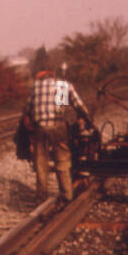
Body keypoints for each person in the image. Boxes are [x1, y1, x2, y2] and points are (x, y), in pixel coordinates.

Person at [23, 68, 93, 202]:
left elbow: (27, 109)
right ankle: (67, 194)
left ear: (41, 77)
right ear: (52, 75)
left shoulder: (35, 87)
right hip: (58, 126)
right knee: (62, 160)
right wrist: (86, 117)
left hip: (40, 127)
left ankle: (41, 196)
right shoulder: (62, 85)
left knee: (41, 162)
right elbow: (77, 106)